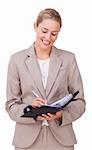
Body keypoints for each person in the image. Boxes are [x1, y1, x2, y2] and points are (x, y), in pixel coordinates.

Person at [5, 8, 85, 150]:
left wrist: (61, 115)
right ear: (35, 26)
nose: (48, 38)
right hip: (26, 141)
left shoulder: (68, 59)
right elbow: (11, 105)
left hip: (61, 141)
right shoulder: (16, 60)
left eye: (54, 34)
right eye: (44, 31)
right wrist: (30, 108)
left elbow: (80, 102)